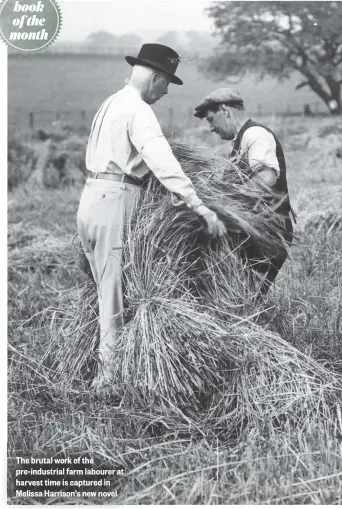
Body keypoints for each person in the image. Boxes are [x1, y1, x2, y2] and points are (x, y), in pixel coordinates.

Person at [77, 44, 226, 395]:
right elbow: (161, 159)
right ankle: (108, 381)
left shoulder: (111, 103)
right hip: (115, 199)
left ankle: (108, 369)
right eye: (166, 83)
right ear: (155, 77)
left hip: (90, 199)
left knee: (105, 289)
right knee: (114, 294)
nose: (165, 92)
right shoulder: (138, 109)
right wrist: (198, 205)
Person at [194, 88, 294, 295]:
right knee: (243, 295)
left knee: (245, 298)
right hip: (257, 232)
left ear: (225, 110)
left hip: (268, 233)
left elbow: (267, 176)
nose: (211, 128)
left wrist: (226, 202)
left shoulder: (254, 134)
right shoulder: (240, 142)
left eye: (212, 120)